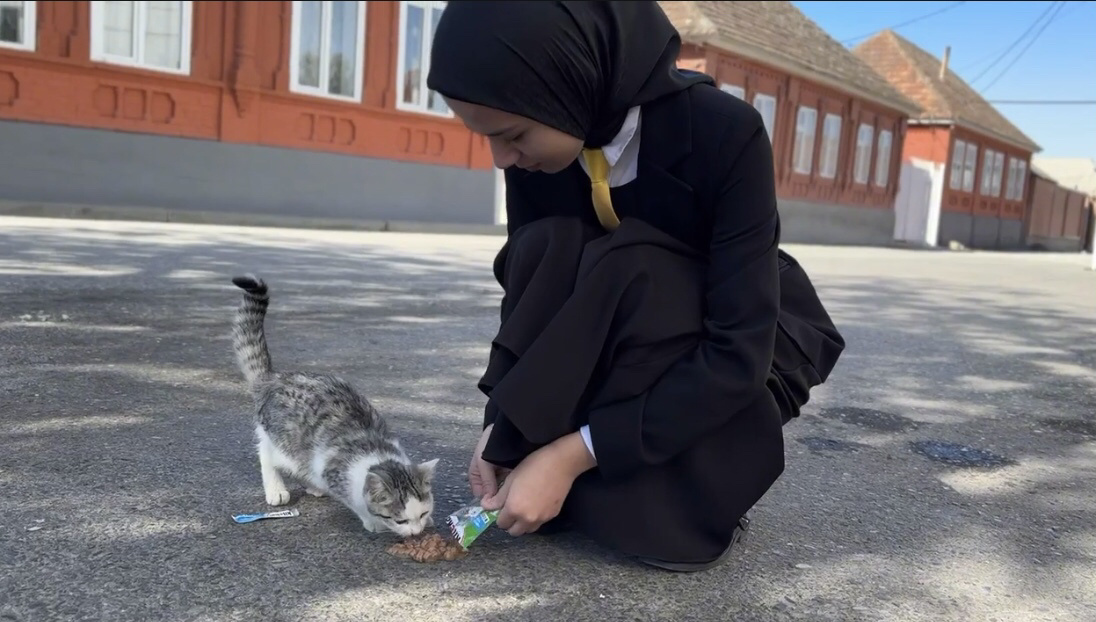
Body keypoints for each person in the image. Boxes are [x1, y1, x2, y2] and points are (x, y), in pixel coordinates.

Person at [426, 1, 845, 572]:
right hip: (622, 322)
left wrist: (573, 455)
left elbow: (737, 353)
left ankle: (652, 474)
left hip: (735, 350)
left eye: (513, 134)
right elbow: (533, 292)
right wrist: (503, 421)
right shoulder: (535, 157)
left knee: (630, 266)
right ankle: (564, 465)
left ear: (573, 81)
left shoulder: (725, 132)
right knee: (544, 245)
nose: (502, 159)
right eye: (486, 137)